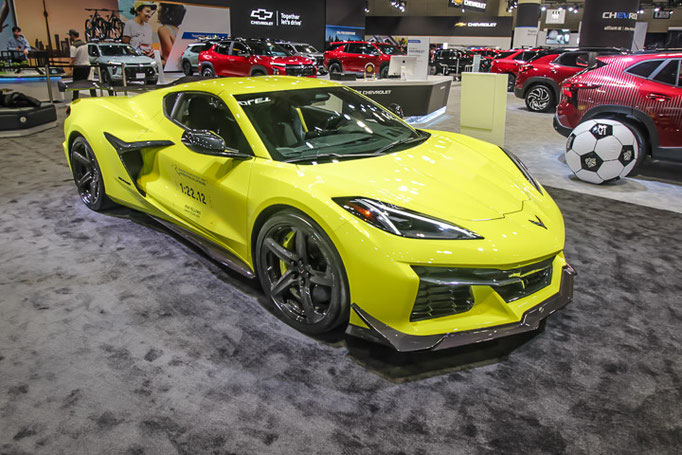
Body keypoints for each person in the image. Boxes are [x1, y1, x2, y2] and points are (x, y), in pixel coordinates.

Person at [68, 29, 94, 100]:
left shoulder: (73, 46)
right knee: (90, 83)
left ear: (72, 36)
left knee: (76, 84)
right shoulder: (85, 43)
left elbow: (72, 58)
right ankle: (94, 97)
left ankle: (75, 99)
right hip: (87, 65)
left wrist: (70, 69)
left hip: (79, 66)